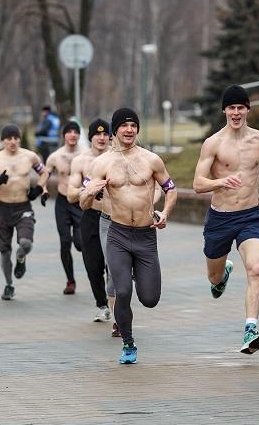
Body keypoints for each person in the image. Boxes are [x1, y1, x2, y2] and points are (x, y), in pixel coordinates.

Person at [80, 108, 177, 364]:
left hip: (146, 237)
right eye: (124, 125)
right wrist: (89, 192)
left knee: (150, 299)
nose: (129, 129)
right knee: (122, 292)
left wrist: (165, 212)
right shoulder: (102, 163)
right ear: (115, 130)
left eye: (133, 125)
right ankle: (128, 343)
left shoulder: (151, 160)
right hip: (118, 234)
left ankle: (136, 272)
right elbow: (82, 202)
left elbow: (171, 189)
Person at [193, 85, 259, 354]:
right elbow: (197, 184)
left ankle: (250, 329)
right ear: (224, 110)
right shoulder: (214, 143)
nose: (236, 112)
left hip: (250, 216)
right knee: (213, 278)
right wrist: (220, 182)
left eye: (241, 107)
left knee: (256, 268)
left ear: (248, 109)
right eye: (231, 108)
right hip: (220, 218)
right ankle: (222, 275)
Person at [0, 124, 48, 300]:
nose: (13, 142)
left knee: (25, 243)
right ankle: (9, 285)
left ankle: (21, 257)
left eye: (16, 138)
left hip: (23, 207)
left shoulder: (29, 156)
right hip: (2, 209)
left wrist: (39, 188)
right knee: (4, 251)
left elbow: (44, 172)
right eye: (9, 138)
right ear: (3, 140)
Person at [68, 118, 116, 325]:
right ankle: (102, 305)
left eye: (106, 134)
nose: (102, 137)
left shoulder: (117, 157)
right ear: (90, 138)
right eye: (97, 134)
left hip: (113, 218)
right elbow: (70, 194)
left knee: (113, 265)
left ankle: (116, 305)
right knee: (93, 265)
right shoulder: (80, 161)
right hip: (89, 217)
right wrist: (87, 191)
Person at [43, 121, 84, 294]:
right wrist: (43, 190)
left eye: (76, 131)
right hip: (62, 202)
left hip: (81, 202)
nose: (73, 134)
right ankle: (70, 281)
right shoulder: (55, 156)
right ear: (64, 135)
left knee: (81, 243)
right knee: (65, 241)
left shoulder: (86, 155)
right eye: (69, 131)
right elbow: (43, 175)